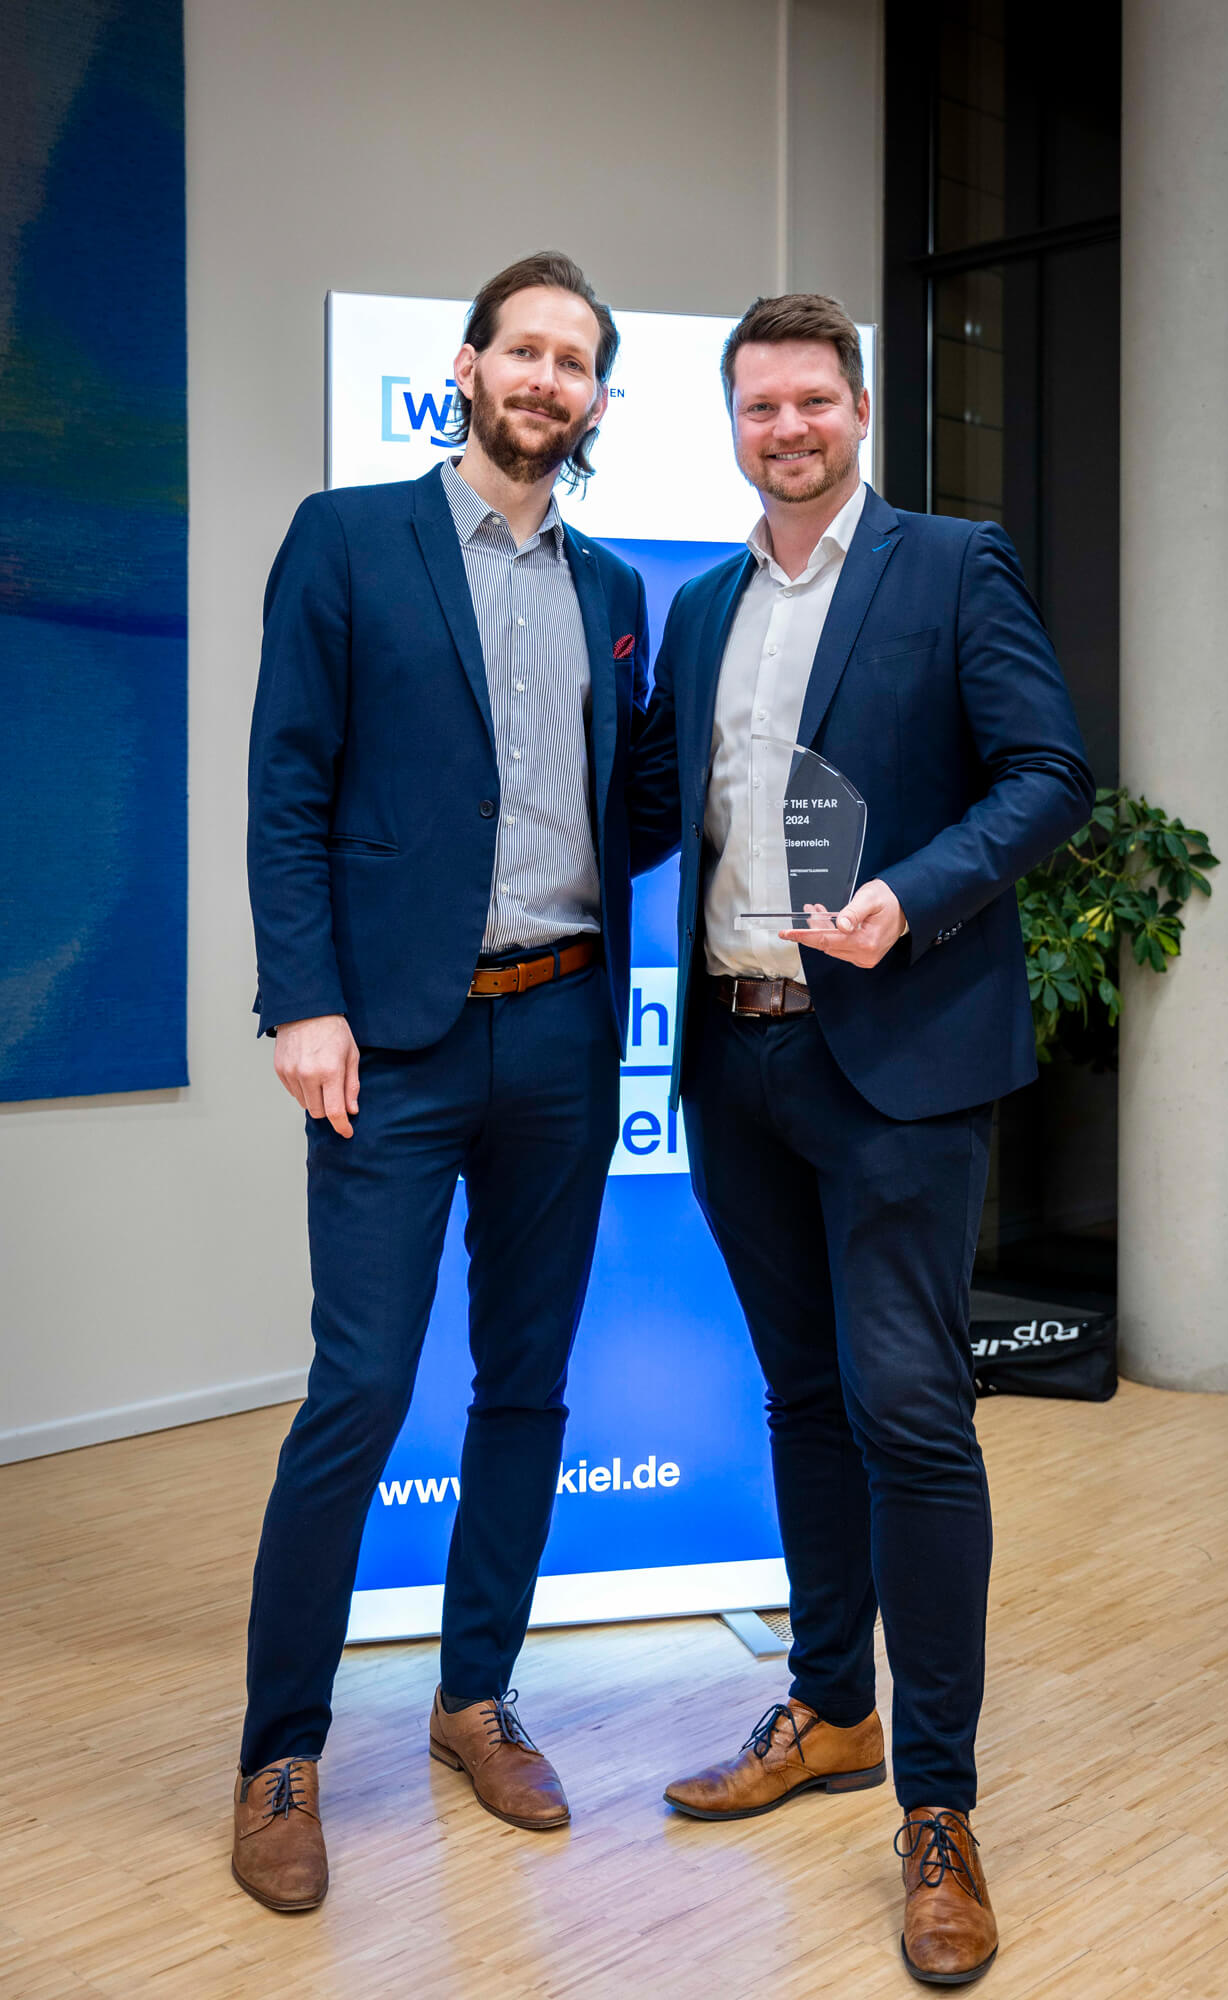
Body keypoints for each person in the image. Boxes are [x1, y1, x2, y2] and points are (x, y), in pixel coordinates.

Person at [630, 292, 1094, 1986]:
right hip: (738, 1056)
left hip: (896, 1061)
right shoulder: (701, 607)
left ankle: (938, 1809)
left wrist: (913, 892)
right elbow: (660, 806)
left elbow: (1046, 774)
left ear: (860, 409)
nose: (787, 429)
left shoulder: (951, 566)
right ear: (732, 424)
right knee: (803, 1401)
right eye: (759, 406)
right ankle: (829, 1707)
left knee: (909, 1413)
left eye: (811, 401)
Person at [236, 251, 649, 1912]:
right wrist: (303, 1000)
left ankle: (474, 1698)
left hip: (560, 1030)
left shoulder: (614, 590)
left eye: (574, 362)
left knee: (527, 1386)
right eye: (522, 351)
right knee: (356, 1393)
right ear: (467, 368)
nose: (545, 380)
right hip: (391, 1045)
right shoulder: (348, 540)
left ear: (596, 399)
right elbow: (287, 781)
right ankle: (281, 1753)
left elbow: (631, 805)